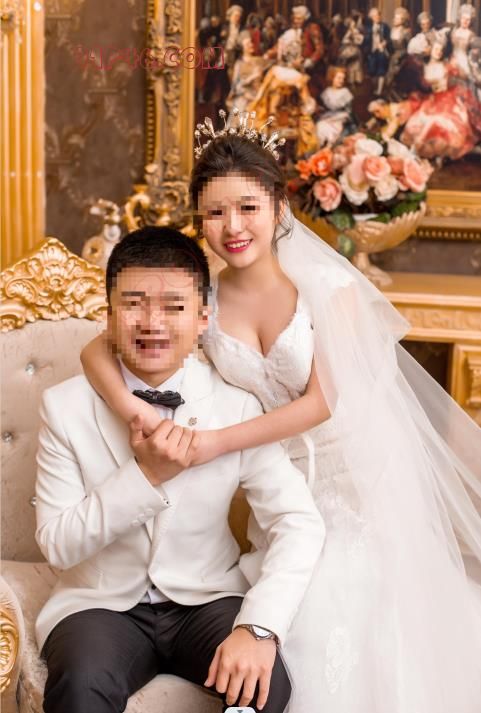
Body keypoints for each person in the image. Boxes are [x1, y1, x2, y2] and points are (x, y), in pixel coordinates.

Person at [81, 110, 481, 712]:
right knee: (276, 609)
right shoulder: (202, 297)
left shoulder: (328, 289)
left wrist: (216, 443)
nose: (232, 227)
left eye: (247, 207)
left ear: (277, 204)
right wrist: (135, 409)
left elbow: (323, 402)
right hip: (276, 483)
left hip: (355, 479)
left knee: (351, 613)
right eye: (214, 213)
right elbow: (96, 348)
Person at [36, 227, 325, 713]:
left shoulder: (237, 405)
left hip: (207, 599)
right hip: (99, 605)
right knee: (81, 686)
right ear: (109, 315)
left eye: (174, 307)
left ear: (202, 317)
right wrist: (146, 475)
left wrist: (259, 628)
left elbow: (298, 521)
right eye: (134, 304)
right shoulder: (64, 407)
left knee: (265, 687)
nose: (153, 323)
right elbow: (58, 544)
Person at [315, 65, 356, 146]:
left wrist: (341, 117)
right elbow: (324, 109)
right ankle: (322, 147)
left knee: (334, 131)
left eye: (343, 79)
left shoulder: (345, 92)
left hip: (341, 119)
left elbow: (349, 111)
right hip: (327, 118)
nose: (341, 81)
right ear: (332, 78)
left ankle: (329, 147)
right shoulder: (326, 92)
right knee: (320, 126)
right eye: (339, 78)